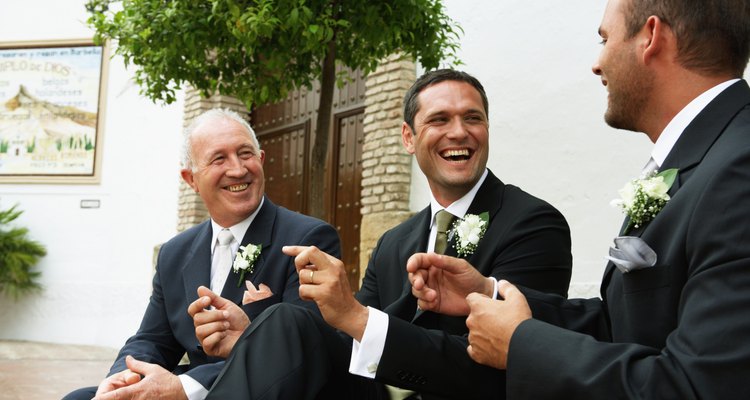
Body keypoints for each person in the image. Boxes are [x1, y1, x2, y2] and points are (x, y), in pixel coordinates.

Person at [408, 0, 750, 398]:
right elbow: (620, 325)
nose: (597, 63)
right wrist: (489, 295)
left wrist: (522, 345)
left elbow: (698, 387)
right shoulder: (700, 160)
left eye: (604, 39)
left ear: (651, 37)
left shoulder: (737, 170)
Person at [189, 69, 573, 399]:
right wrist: (255, 340)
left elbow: (506, 362)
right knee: (286, 319)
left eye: (472, 118)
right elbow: (346, 342)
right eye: (439, 120)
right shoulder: (395, 241)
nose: (459, 132)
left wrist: (355, 316)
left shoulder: (533, 223)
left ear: (486, 130)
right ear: (408, 138)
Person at [63, 109, 340, 400]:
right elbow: (152, 339)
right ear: (190, 179)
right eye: (219, 159)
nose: (237, 169)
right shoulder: (175, 252)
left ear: (261, 160)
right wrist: (124, 378)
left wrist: (185, 388)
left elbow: (303, 353)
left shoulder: (307, 239)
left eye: (245, 154)